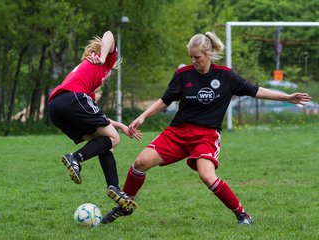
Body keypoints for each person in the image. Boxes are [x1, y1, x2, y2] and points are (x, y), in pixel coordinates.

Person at [101, 32, 312, 225]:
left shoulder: (226, 77)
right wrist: (143, 116)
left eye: (197, 57)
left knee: (207, 176)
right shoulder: (183, 74)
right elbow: (165, 100)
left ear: (208, 54)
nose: (193, 61)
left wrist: (286, 97)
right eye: (191, 57)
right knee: (140, 162)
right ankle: (125, 204)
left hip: (206, 136)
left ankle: (242, 214)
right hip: (177, 133)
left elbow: (255, 90)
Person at [48, 30, 140, 211]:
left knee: (104, 142)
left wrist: (121, 125)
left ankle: (114, 187)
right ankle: (75, 158)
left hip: (56, 107)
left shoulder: (88, 84)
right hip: (71, 98)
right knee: (114, 139)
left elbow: (100, 118)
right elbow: (109, 34)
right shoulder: (104, 62)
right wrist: (105, 57)